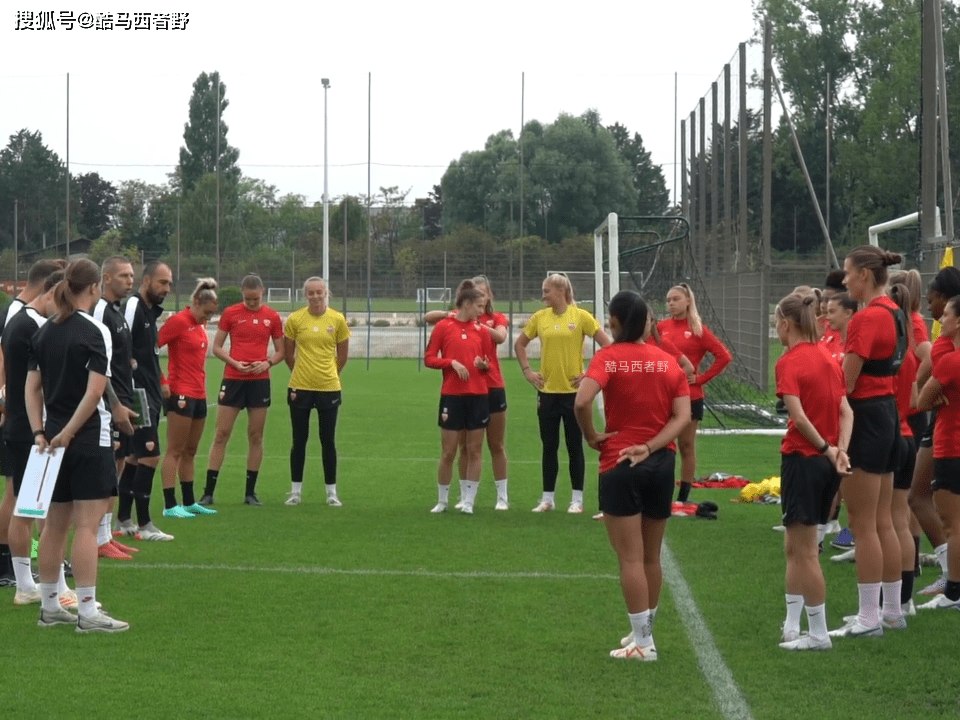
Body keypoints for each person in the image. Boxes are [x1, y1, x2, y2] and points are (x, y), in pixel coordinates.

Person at [573, 290, 690, 661]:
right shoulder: (667, 362)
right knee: (651, 556)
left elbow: (581, 400)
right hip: (660, 464)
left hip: (620, 462)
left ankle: (643, 644)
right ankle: (643, 634)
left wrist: (591, 435)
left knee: (630, 559)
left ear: (615, 321)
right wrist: (653, 447)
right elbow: (682, 417)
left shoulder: (609, 357)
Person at [25, 258, 129, 632]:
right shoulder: (95, 330)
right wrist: (69, 431)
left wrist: (41, 431)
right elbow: (95, 391)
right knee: (86, 525)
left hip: (50, 439)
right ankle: (87, 611)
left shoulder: (45, 331)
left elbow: (31, 387)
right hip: (85, 438)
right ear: (95, 286)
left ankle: (50, 605)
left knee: (54, 525)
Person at [829, 246, 905, 638]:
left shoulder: (866, 318)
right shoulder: (896, 312)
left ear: (864, 275)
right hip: (888, 413)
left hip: (867, 417)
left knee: (863, 523)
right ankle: (890, 611)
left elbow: (847, 381)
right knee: (883, 521)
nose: (843, 280)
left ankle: (869, 617)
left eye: (847, 273)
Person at [773, 292, 852, 651]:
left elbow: (798, 417)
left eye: (777, 323)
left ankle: (818, 634)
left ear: (786, 324)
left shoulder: (789, 361)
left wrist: (825, 448)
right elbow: (845, 412)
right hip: (824, 463)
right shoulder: (829, 356)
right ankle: (792, 623)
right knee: (795, 546)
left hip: (805, 460)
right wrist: (839, 452)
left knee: (806, 552)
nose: (776, 329)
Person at [515, 274, 611, 514]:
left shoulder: (580, 317)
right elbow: (520, 344)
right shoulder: (540, 318)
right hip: (547, 393)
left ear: (560, 290)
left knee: (574, 446)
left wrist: (589, 373)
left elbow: (608, 346)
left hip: (574, 395)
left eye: (546, 290)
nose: (543, 295)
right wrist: (527, 371)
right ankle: (547, 499)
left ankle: (576, 500)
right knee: (549, 446)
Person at [0, 259, 67, 587]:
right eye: (63, 299)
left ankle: (28, 583)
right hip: (31, 428)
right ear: (51, 290)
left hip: (21, 424)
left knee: (27, 506)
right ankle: (33, 583)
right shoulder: (29, 325)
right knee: (33, 508)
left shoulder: (22, 322)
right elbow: (38, 382)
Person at [423, 275, 510, 510]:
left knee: (485, 447)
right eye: (477, 301)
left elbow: (494, 350)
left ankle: (488, 499)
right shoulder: (447, 324)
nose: (481, 308)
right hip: (454, 394)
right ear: (468, 302)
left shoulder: (486, 326)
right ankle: (450, 499)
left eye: (484, 298)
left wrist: (483, 365)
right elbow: (429, 355)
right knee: (452, 450)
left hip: (484, 392)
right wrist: (451, 362)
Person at [200, 275, 284, 506]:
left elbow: (280, 351)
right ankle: (208, 492)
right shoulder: (231, 314)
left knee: (255, 436)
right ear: (242, 294)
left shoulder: (272, 317)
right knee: (221, 434)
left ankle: (250, 493)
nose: (252, 303)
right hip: (234, 379)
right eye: (248, 299)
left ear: (263, 292)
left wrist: (267, 363)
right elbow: (216, 347)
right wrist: (234, 363)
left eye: (255, 299)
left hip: (259, 381)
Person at [910, 267, 960, 596]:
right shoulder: (944, 342)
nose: (930, 299)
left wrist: (926, 390)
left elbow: (921, 394)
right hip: (942, 423)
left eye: (935, 293)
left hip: (947, 430)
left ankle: (952, 579)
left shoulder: (944, 347)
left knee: (924, 500)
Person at [657, 283, 732, 503]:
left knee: (686, 445)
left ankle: (683, 497)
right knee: (662, 444)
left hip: (690, 396)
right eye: (669, 300)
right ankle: (661, 492)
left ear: (689, 301)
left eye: (676, 299)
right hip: (663, 395)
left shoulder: (698, 329)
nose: (671, 303)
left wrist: (701, 379)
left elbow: (724, 356)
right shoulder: (661, 327)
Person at [119, 261, 175, 541]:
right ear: (147, 280)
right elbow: (121, 347)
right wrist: (127, 391)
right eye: (162, 283)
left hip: (150, 393)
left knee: (134, 455)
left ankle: (123, 519)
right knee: (151, 455)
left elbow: (146, 356)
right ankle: (145, 525)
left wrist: (161, 380)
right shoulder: (132, 307)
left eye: (169, 284)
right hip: (137, 395)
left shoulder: (149, 314)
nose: (167, 288)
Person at [283, 277, 350, 506]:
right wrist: (301, 373)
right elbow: (288, 354)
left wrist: (329, 374)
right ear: (305, 295)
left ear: (326, 293)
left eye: (319, 292)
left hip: (328, 388)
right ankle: (295, 492)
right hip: (300, 387)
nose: (315, 296)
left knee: (327, 440)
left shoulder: (337, 319)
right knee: (299, 440)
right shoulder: (295, 319)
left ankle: (331, 493)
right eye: (310, 293)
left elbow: (342, 356)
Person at [157, 279, 220, 518]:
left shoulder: (199, 325)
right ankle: (170, 505)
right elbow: (150, 348)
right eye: (206, 313)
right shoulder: (178, 322)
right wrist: (162, 380)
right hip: (180, 393)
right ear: (195, 303)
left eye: (212, 314)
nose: (209, 319)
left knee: (191, 451)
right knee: (174, 449)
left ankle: (190, 501)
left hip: (199, 394)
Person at [91, 257, 140, 561]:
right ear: (106, 278)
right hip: (109, 405)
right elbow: (98, 363)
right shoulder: (99, 311)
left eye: (132, 275)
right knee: (108, 469)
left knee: (118, 465)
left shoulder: (117, 312)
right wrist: (114, 403)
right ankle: (97, 537)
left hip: (122, 399)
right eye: (123, 275)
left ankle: (106, 535)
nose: (130, 280)